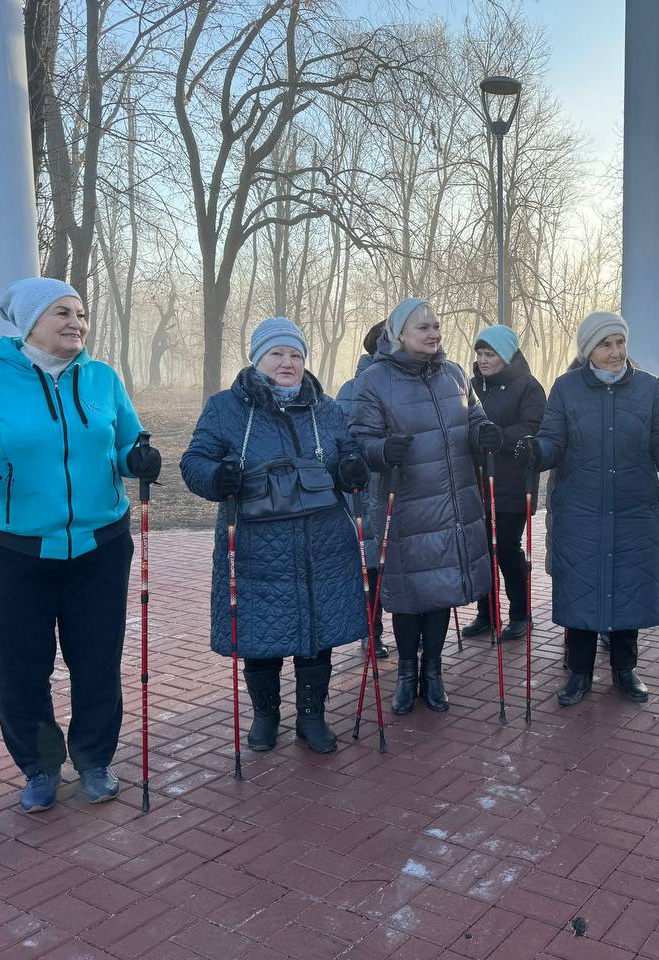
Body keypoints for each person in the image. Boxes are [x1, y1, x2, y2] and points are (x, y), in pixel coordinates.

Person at [0, 277, 162, 812]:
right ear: (30, 323)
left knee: (97, 660)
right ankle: (40, 766)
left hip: (99, 545)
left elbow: (125, 442)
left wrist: (137, 461)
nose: (76, 322)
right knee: (20, 667)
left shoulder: (102, 379)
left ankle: (95, 760)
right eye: (61, 313)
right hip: (11, 549)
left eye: (80, 313)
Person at [180, 316, 369, 755]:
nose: (288, 362)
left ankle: (312, 716)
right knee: (259, 634)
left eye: (296, 355)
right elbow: (194, 462)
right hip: (255, 547)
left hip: (322, 545)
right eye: (277, 354)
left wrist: (352, 469)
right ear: (257, 358)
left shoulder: (326, 408)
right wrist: (216, 476)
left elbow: (346, 456)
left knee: (317, 633)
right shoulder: (225, 408)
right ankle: (266, 714)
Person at [515, 312, 659, 705]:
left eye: (620, 342)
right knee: (581, 590)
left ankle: (625, 668)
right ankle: (579, 672)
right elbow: (553, 439)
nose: (616, 352)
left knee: (628, 588)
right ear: (589, 350)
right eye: (606, 344)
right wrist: (537, 451)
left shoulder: (648, 388)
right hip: (580, 511)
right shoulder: (566, 389)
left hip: (633, 510)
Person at [349, 298, 501, 714]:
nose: (433, 333)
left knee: (439, 593)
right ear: (399, 334)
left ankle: (433, 673)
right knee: (407, 594)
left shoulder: (453, 375)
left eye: (436, 325)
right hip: (405, 506)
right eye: (423, 328)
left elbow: (474, 419)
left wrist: (484, 433)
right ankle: (405, 674)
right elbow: (359, 440)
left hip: (453, 504)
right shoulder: (375, 380)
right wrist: (382, 449)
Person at [461, 324, 546, 643]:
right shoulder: (472, 386)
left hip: (513, 483)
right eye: (480, 354)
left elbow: (535, 427)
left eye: (490, 354)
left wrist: (500, 436)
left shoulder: (528, 387)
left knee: (506, 549)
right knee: (482, 551)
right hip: (477, 483)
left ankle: (521, 613)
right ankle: (487, 613)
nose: (483, 360)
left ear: (507, 356)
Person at [337, 320, 389, 660]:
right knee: (372, 566)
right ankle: (372, 632)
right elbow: (342, 441)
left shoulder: (412, 383)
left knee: (400, 566)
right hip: (367, 489)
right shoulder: (351, 389)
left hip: (405, 489)